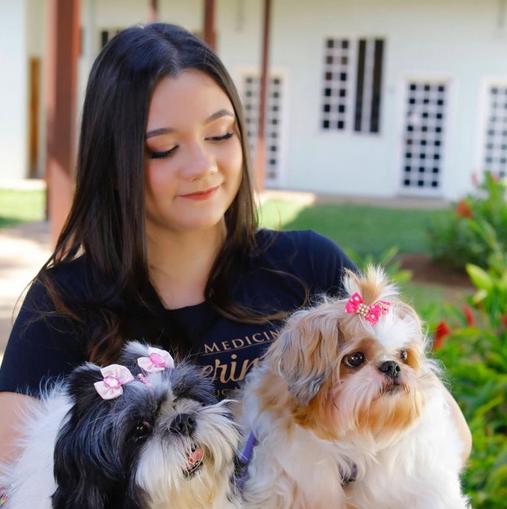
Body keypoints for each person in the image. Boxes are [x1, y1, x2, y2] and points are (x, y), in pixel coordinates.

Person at [0, 23, 470, 472]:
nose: (203, 165)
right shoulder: (65, 303)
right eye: (164, 148)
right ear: (115, 160)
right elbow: (17, 467)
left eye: (220, 134)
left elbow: (450, 439)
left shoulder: (308, 268)